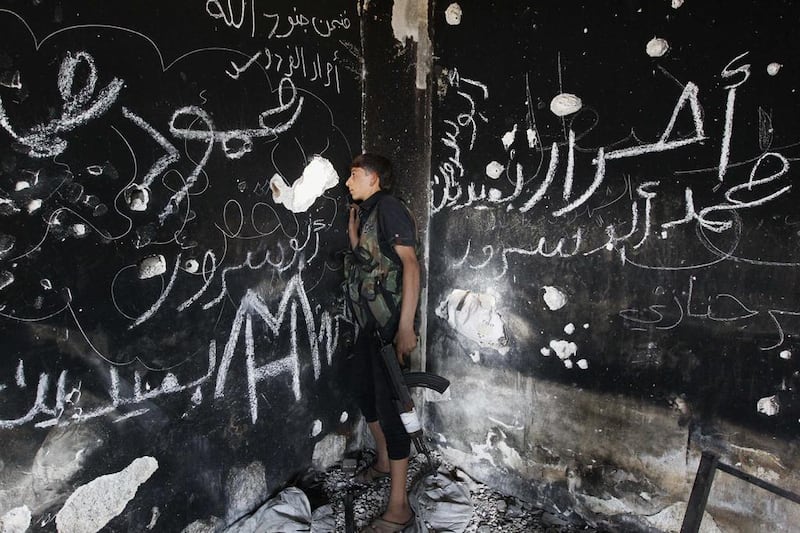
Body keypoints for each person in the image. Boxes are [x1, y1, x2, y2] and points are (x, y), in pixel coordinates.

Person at [344, 153, 420, 532]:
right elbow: (373, 261)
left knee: (391, 411)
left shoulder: (389, 207)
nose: (347, 182)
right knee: (362, 391)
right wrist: (355, 239)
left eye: (354, 175)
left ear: (374, 179)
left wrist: (406, 326)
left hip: (390, 327)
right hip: (368, 326)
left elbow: (410, 264)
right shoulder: (371, 211)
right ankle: (383, 461)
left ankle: (399, 507)